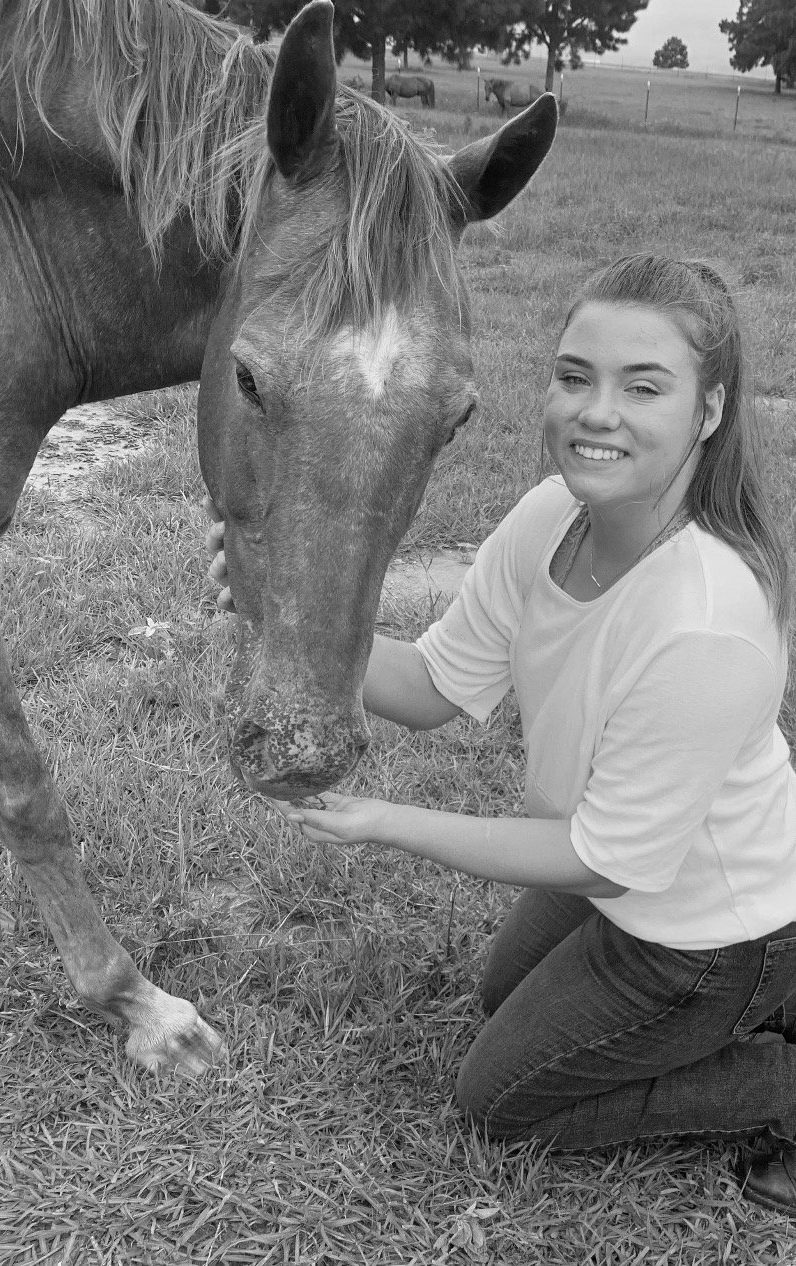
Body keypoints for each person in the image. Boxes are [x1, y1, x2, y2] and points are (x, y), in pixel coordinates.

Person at [206, 254, 796, 1212]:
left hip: (711, 928)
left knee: (506, 1101)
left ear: (710, 411)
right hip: (633, 873)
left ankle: (777, 1069)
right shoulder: (551, 515)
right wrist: (281, 607)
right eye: (574, 377)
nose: (593, 412)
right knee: (498, 1000)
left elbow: (606, 858)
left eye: (642, 387)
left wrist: (385, 821)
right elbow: (436, 682)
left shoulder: (707, 620)